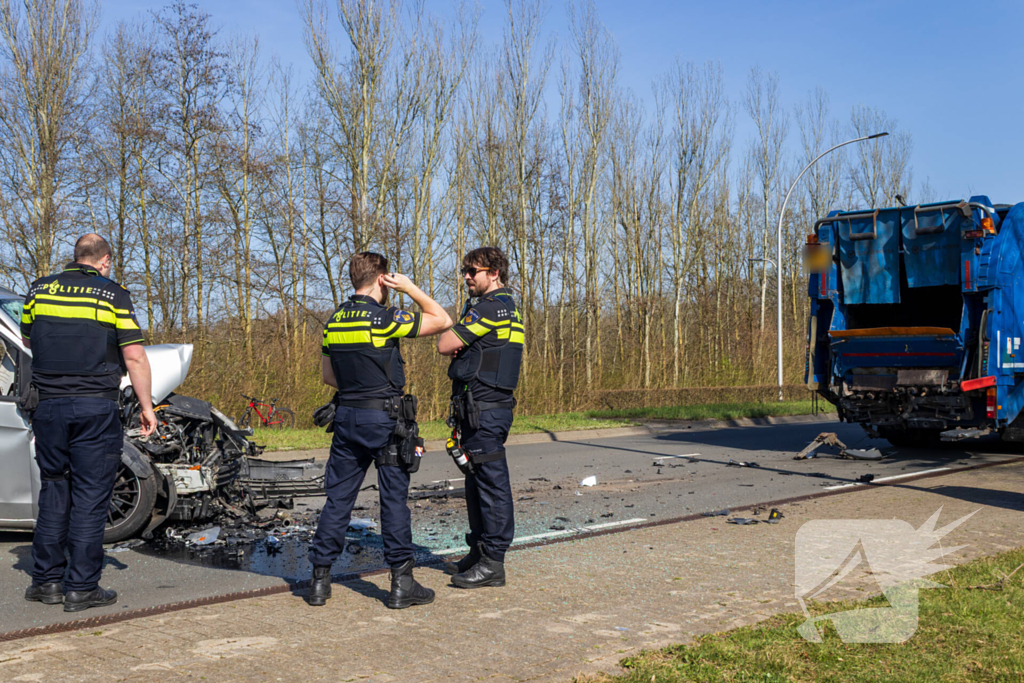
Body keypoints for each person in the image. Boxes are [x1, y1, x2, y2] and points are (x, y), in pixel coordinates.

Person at [308, 252, 452, 609]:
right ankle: (402, 583)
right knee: (392, 501)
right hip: (385, 420)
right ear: (382, 279)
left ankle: (319, 581)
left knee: (338, 499)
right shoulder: (384, 318)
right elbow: (442, 320)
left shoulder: (334, 321)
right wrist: (410, 288)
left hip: (347, 418)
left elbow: (328, 376)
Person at [21, 234, 157, 612]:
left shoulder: (38, 290)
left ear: (76, 256)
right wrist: (147, 406)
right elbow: (135, 357)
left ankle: (46, 582)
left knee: (54, 489)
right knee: (90, 496)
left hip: (48, 407)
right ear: (104, 261)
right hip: (94, 408)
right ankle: (81, 587)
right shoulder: (113, 294)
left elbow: (28, 343)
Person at [437, 247, 524, 588]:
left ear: (494, 273)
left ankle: (493, 563)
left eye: (473, 271)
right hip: (478, 409)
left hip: (486, 409)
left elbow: (445, 344)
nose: (467, 277)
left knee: (491, 484)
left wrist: (457, 340)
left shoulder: (490, 307)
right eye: (465, 270)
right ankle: (479, 552)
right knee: (476, 483)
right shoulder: (502, 307)